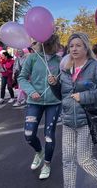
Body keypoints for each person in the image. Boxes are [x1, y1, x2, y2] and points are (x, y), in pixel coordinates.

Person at [48, 32, 97, 188]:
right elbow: (61, 96)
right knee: (67, 160)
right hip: (68, 120)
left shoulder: (94, 66)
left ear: (86, 47)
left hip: (87, 119)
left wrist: (83, 96)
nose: (74, 49)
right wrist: (54, 85)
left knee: (84, 159)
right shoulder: (65, 68)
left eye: (78, 45)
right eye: (71, 46)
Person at [18, 34, 62, 180]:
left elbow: (65, 83)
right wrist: (31, 91)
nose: (56, 46)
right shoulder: (32, 58)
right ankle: (39, 152)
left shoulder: (60, 61)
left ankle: (47, 164)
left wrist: (56, 82)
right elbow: (22, 77)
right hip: (34, 102)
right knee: (29, 135)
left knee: (49, 136)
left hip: (54, 103)